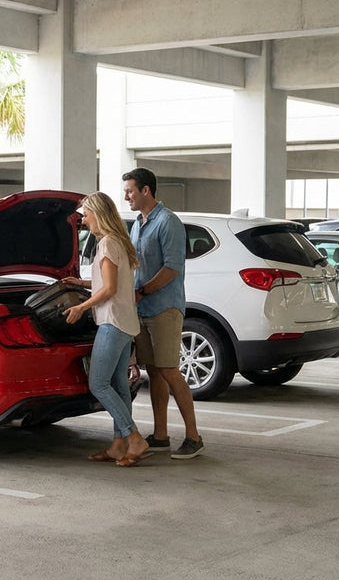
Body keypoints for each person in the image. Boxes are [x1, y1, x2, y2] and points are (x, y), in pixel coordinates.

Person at [123, 167, 205, 460]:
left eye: (130, 191)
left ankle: (194, 438)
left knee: (170, 370)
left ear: (146, 190)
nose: (126, 196)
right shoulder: (138, 223)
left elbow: (172, 268)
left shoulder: (168, 222)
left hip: (164, 308)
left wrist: (142, 291)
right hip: (143, 308)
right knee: (154, 372)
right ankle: (160, 436)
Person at [62, 191, 150, 467]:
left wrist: (81, 307)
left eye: (86, 215)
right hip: (126, 322)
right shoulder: (117, 242)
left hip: (112, 322)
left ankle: (134, 437)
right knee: (118, 384)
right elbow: (114, 284)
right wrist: (81, 283)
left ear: (98, 214)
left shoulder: (107, 244)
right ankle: (118, 445)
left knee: (98, 383)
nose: (84, 221)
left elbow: (110, 290)